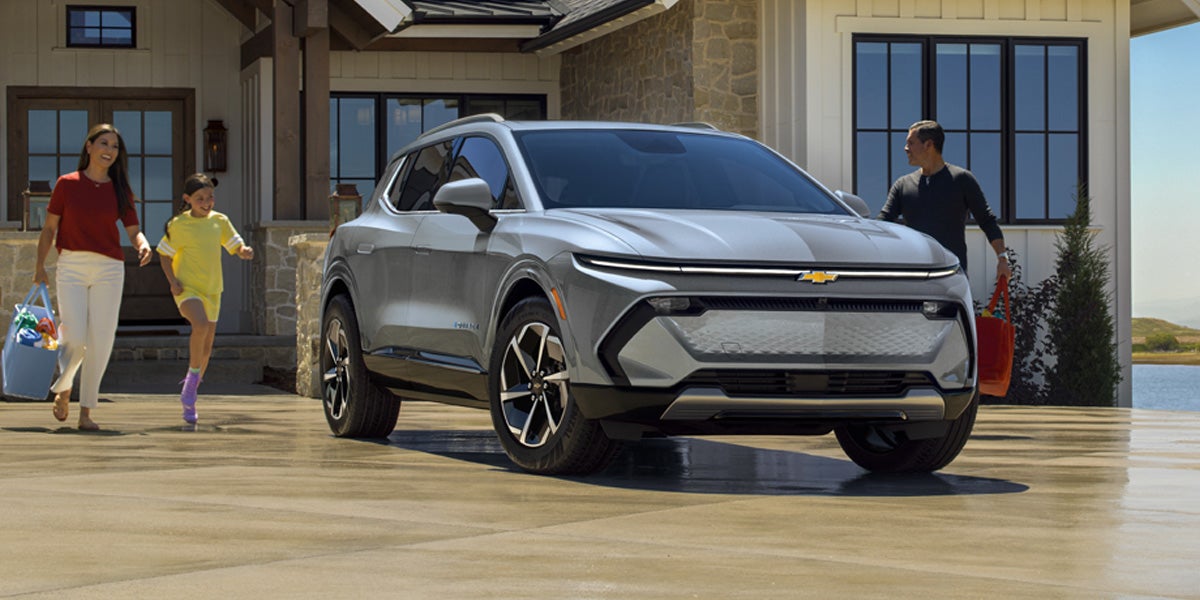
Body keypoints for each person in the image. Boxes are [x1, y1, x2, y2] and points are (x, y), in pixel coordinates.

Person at [34, 123, 153, 431]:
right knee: (74, 336)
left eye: (115, 146)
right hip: (71, 265)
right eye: (104, 143)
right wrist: (39, 267)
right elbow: (49, 229)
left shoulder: (120, 189)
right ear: (88, 147)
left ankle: (86, 412)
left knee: (100, 341)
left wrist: (142, 244)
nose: (109, 150)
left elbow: (132, 230)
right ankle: (64, 387)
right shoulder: (67, 184)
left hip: (109, 270)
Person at [156, 173, 253, 424]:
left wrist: (243, 251)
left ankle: (191, 390)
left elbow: (234, 244)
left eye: (210, 197)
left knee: (207, 347)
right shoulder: (178, 225)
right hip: (187, 290)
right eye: (200, 198)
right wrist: (172, 282)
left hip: (212, 291)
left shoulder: (219, 221)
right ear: (188, 199)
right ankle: (189, 387)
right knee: (198, 325)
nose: (207, 202)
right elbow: (164, 255)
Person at [879, 120, 1012, 282]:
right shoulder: (902, 185)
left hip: (952, 277)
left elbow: (987, 220)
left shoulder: (962, 179)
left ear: (928, 145)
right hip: (915, 277)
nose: (906, 148)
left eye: (911, 143)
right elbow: (883, 223)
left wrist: (1002, 259)